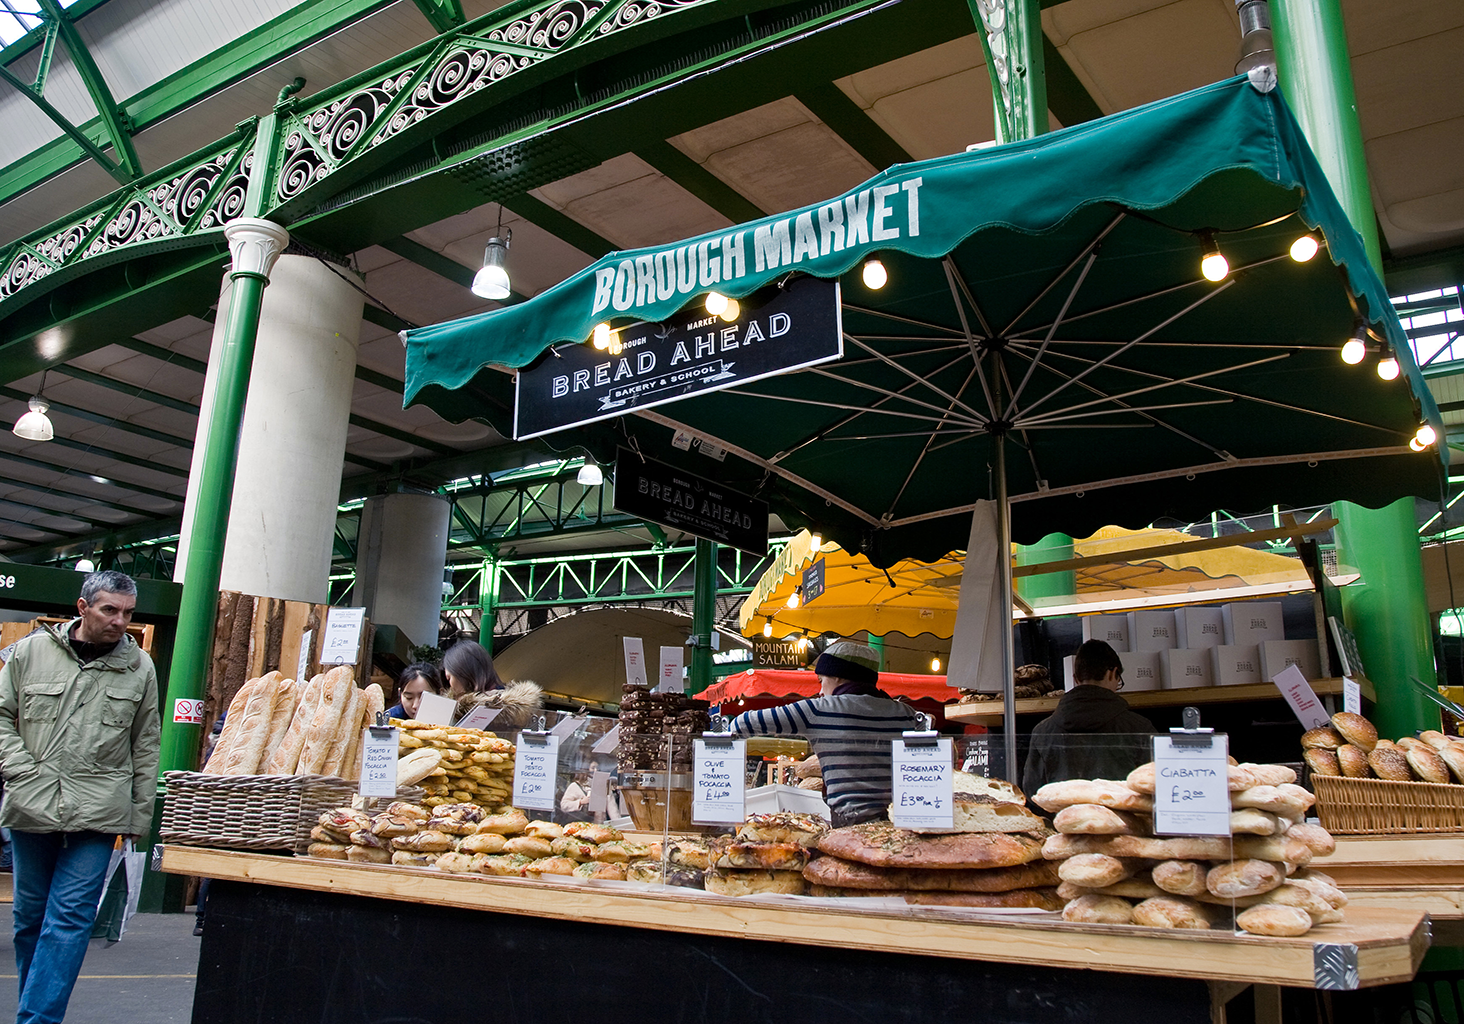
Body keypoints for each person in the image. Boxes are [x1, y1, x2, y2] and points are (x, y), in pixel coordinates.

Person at [0, 570, 160, 1024]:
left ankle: (38, 1019)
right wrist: (20, 769)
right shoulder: (31, 652)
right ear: (82, 607)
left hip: (100, 810)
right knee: (30, 918)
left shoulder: (139, 667)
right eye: (110, 609)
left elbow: (146, 743)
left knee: (69, 919)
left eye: (128, 613)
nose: (119, 621)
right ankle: (36, 1007)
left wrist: (138, 815)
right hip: (32, 803)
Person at [727, 640, 921, 827]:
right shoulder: (906, 713)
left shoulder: (818, 710)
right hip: (900, 823)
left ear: (837, 677)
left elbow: (742, 723)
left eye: (821, 680)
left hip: (849, 824)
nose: (820, 691)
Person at [1021, 639, 1156, 797]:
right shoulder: (1139, 728)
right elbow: (1156, 788)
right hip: (1123, 821)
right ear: (1112, 673)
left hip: (1061, 820)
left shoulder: (1042, 732)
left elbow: (1033, 792)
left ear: (1075, 678)